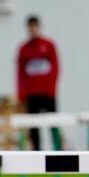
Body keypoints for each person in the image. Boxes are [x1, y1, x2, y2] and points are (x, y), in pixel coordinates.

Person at [16, 14, 61, 151]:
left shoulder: (49, 45)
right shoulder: (24, 49)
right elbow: (20, 73)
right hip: (32, 94)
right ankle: (36, 153)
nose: (33, 30)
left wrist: (52, 89)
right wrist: (21, 94)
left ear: (39, 27)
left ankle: (57, 150)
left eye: (35, 27)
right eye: (30, 27)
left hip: (47, 93)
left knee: (53, 123)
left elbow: (55, 68)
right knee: (33, 126)